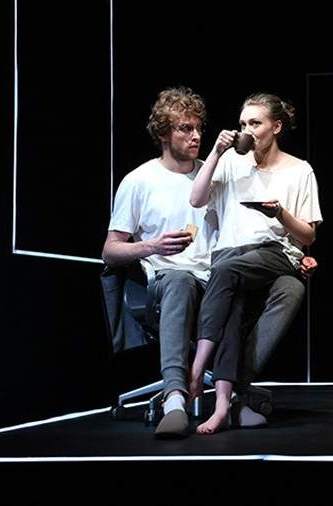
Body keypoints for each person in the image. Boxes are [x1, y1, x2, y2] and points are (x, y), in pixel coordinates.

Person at [188, 92, 322, 434]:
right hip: (231, 255)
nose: (247, 130)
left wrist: (280, 213)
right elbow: (196, 198)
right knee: (238, 301)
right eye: (243, 123)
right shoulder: (231, 162)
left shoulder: (299, 170)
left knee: (240, 274)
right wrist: (216, 152)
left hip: (274, 253)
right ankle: (225, 403)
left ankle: (197, 368)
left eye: (255, 123)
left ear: (275, 127)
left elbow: (307, 237)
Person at [103, 87, 216, 439]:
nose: (196, 135)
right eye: (185, 128)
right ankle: (175, 400)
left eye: (199, 127)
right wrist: (152, 246)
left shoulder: (213, 175)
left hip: (215, 282)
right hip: (166, 287)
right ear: (163, 133)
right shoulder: (139, 181)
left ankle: (236, 395)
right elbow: (110, 251)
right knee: (180, 280)